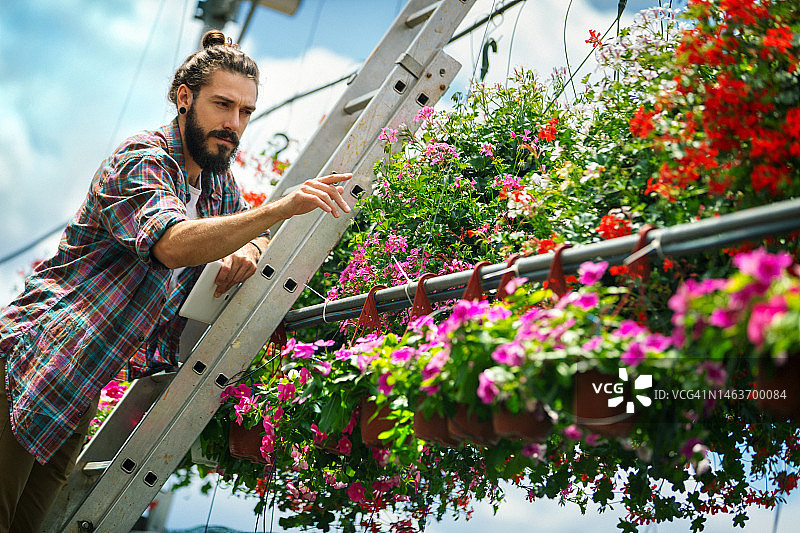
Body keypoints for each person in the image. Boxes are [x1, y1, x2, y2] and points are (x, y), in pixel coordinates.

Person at [0, 30, 351, 532]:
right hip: (28, 367)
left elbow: (252, 233)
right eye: (223, 105)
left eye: (246, 112)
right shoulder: (141, 158)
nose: (234, 124)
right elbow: (172, 243)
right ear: (185, 99)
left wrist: (251, 248)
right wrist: (282, 207)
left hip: (76, 390)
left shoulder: (213, 183)